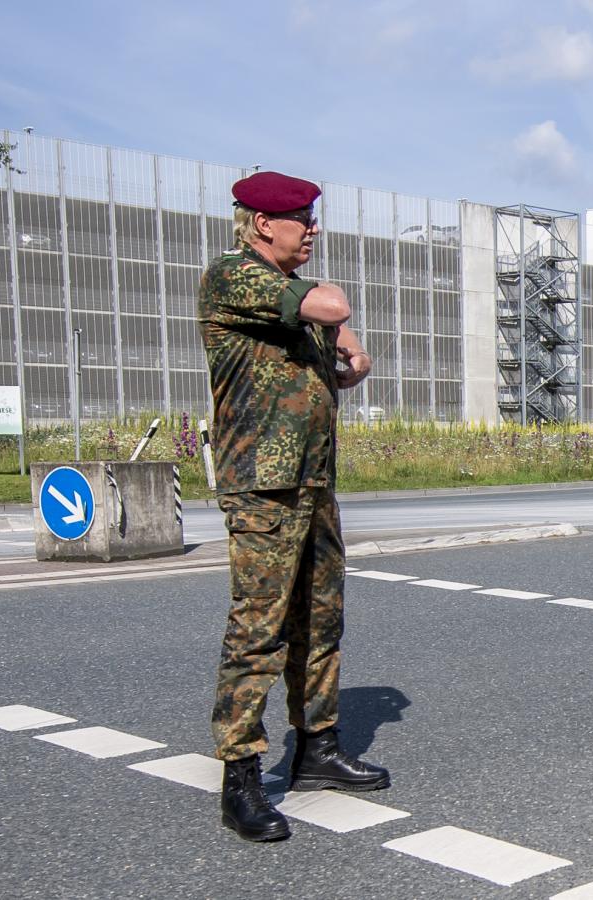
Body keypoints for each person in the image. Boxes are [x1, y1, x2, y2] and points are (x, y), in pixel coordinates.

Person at [200, 171, 387, 842]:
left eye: (312, 217)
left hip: (312, 483)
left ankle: (318, 749)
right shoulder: (234, 277)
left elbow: (344, 344)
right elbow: (334, 307)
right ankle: (240, 777)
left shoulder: (286, 296)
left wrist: (354, 361)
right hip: (262, 487)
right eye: (300, 219)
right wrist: (339, 326)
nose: (312, 229)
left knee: (320, 620)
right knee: (258, 630)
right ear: (260, 224)